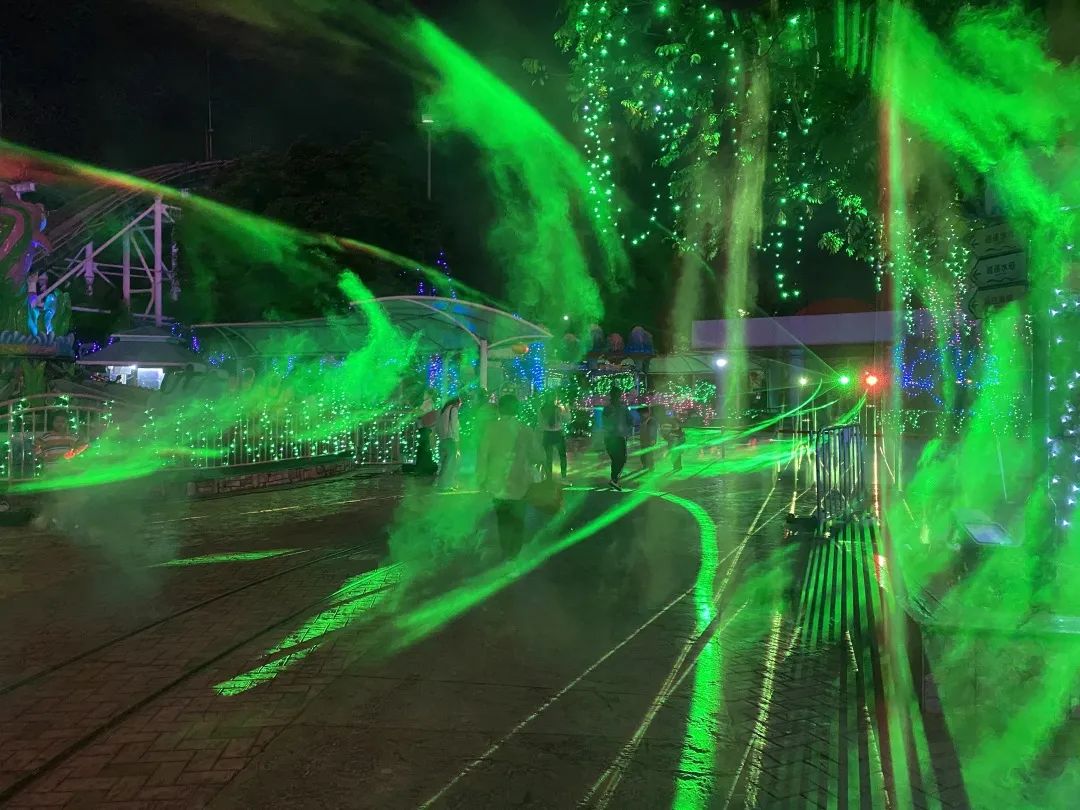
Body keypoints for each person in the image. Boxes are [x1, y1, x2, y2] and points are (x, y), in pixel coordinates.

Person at [477, 394, 544, 558]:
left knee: (503, 519)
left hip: (496, 483)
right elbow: (539, 455)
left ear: (500, 409)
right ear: (517, 410)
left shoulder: (490, 428)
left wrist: (481, 478)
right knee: (518, 519)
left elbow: (482, 455)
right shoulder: (525, 430)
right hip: (519, 483)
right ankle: (514, 552)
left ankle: (507, 552)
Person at [601, 387, 632, 490]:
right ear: (619, 396)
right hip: (618, 437)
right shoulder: (622, 408)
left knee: (615, 459)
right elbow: (630, 421)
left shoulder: (607, 408)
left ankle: (614, 479)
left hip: (609, 438)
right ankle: (614, 480)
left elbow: (605, 422)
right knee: (621, 459)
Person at [435, 395, 462, 490]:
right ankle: (447, 485)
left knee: (444, 463)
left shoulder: (442, 411)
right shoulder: (453, 410)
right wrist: (457, 440)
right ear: (457, 402)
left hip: (442, 440)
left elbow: (437, 426)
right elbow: (454, 426)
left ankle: (441, 484)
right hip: (450, 439)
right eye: (460, 403)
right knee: (450, 464)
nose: (460, 406)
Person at [539, 394, 568, 481]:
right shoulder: (558, 409)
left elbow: (540, 423)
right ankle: (563, 476)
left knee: (548, 457)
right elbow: (566, 419)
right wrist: (566, 408)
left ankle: (549, 477)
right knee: (562, 456)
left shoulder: (542, 409)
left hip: (548, 434)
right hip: (557, 433)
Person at [415, 389, 438, 475]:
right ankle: (424, 467)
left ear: (429, 395)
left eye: (425, 393)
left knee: (423, 447)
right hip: (426, 427)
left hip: (424, 427)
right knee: (424, 447)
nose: (423, 395)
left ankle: (423, 468)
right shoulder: (429, 403)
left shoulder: (428, 403)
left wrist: (417, 412)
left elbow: (423, 413)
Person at [640, 405, 660, 470]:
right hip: (643, 440)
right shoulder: (644, 420)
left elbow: (653, 430)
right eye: (643, 413)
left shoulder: (651, 420)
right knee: (644, 454)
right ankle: (645, 465)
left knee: (649, 454)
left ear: (648, 413)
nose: (643, 415)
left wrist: (653, 439)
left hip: (649, 440)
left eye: (645, 413)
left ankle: (651, 466)